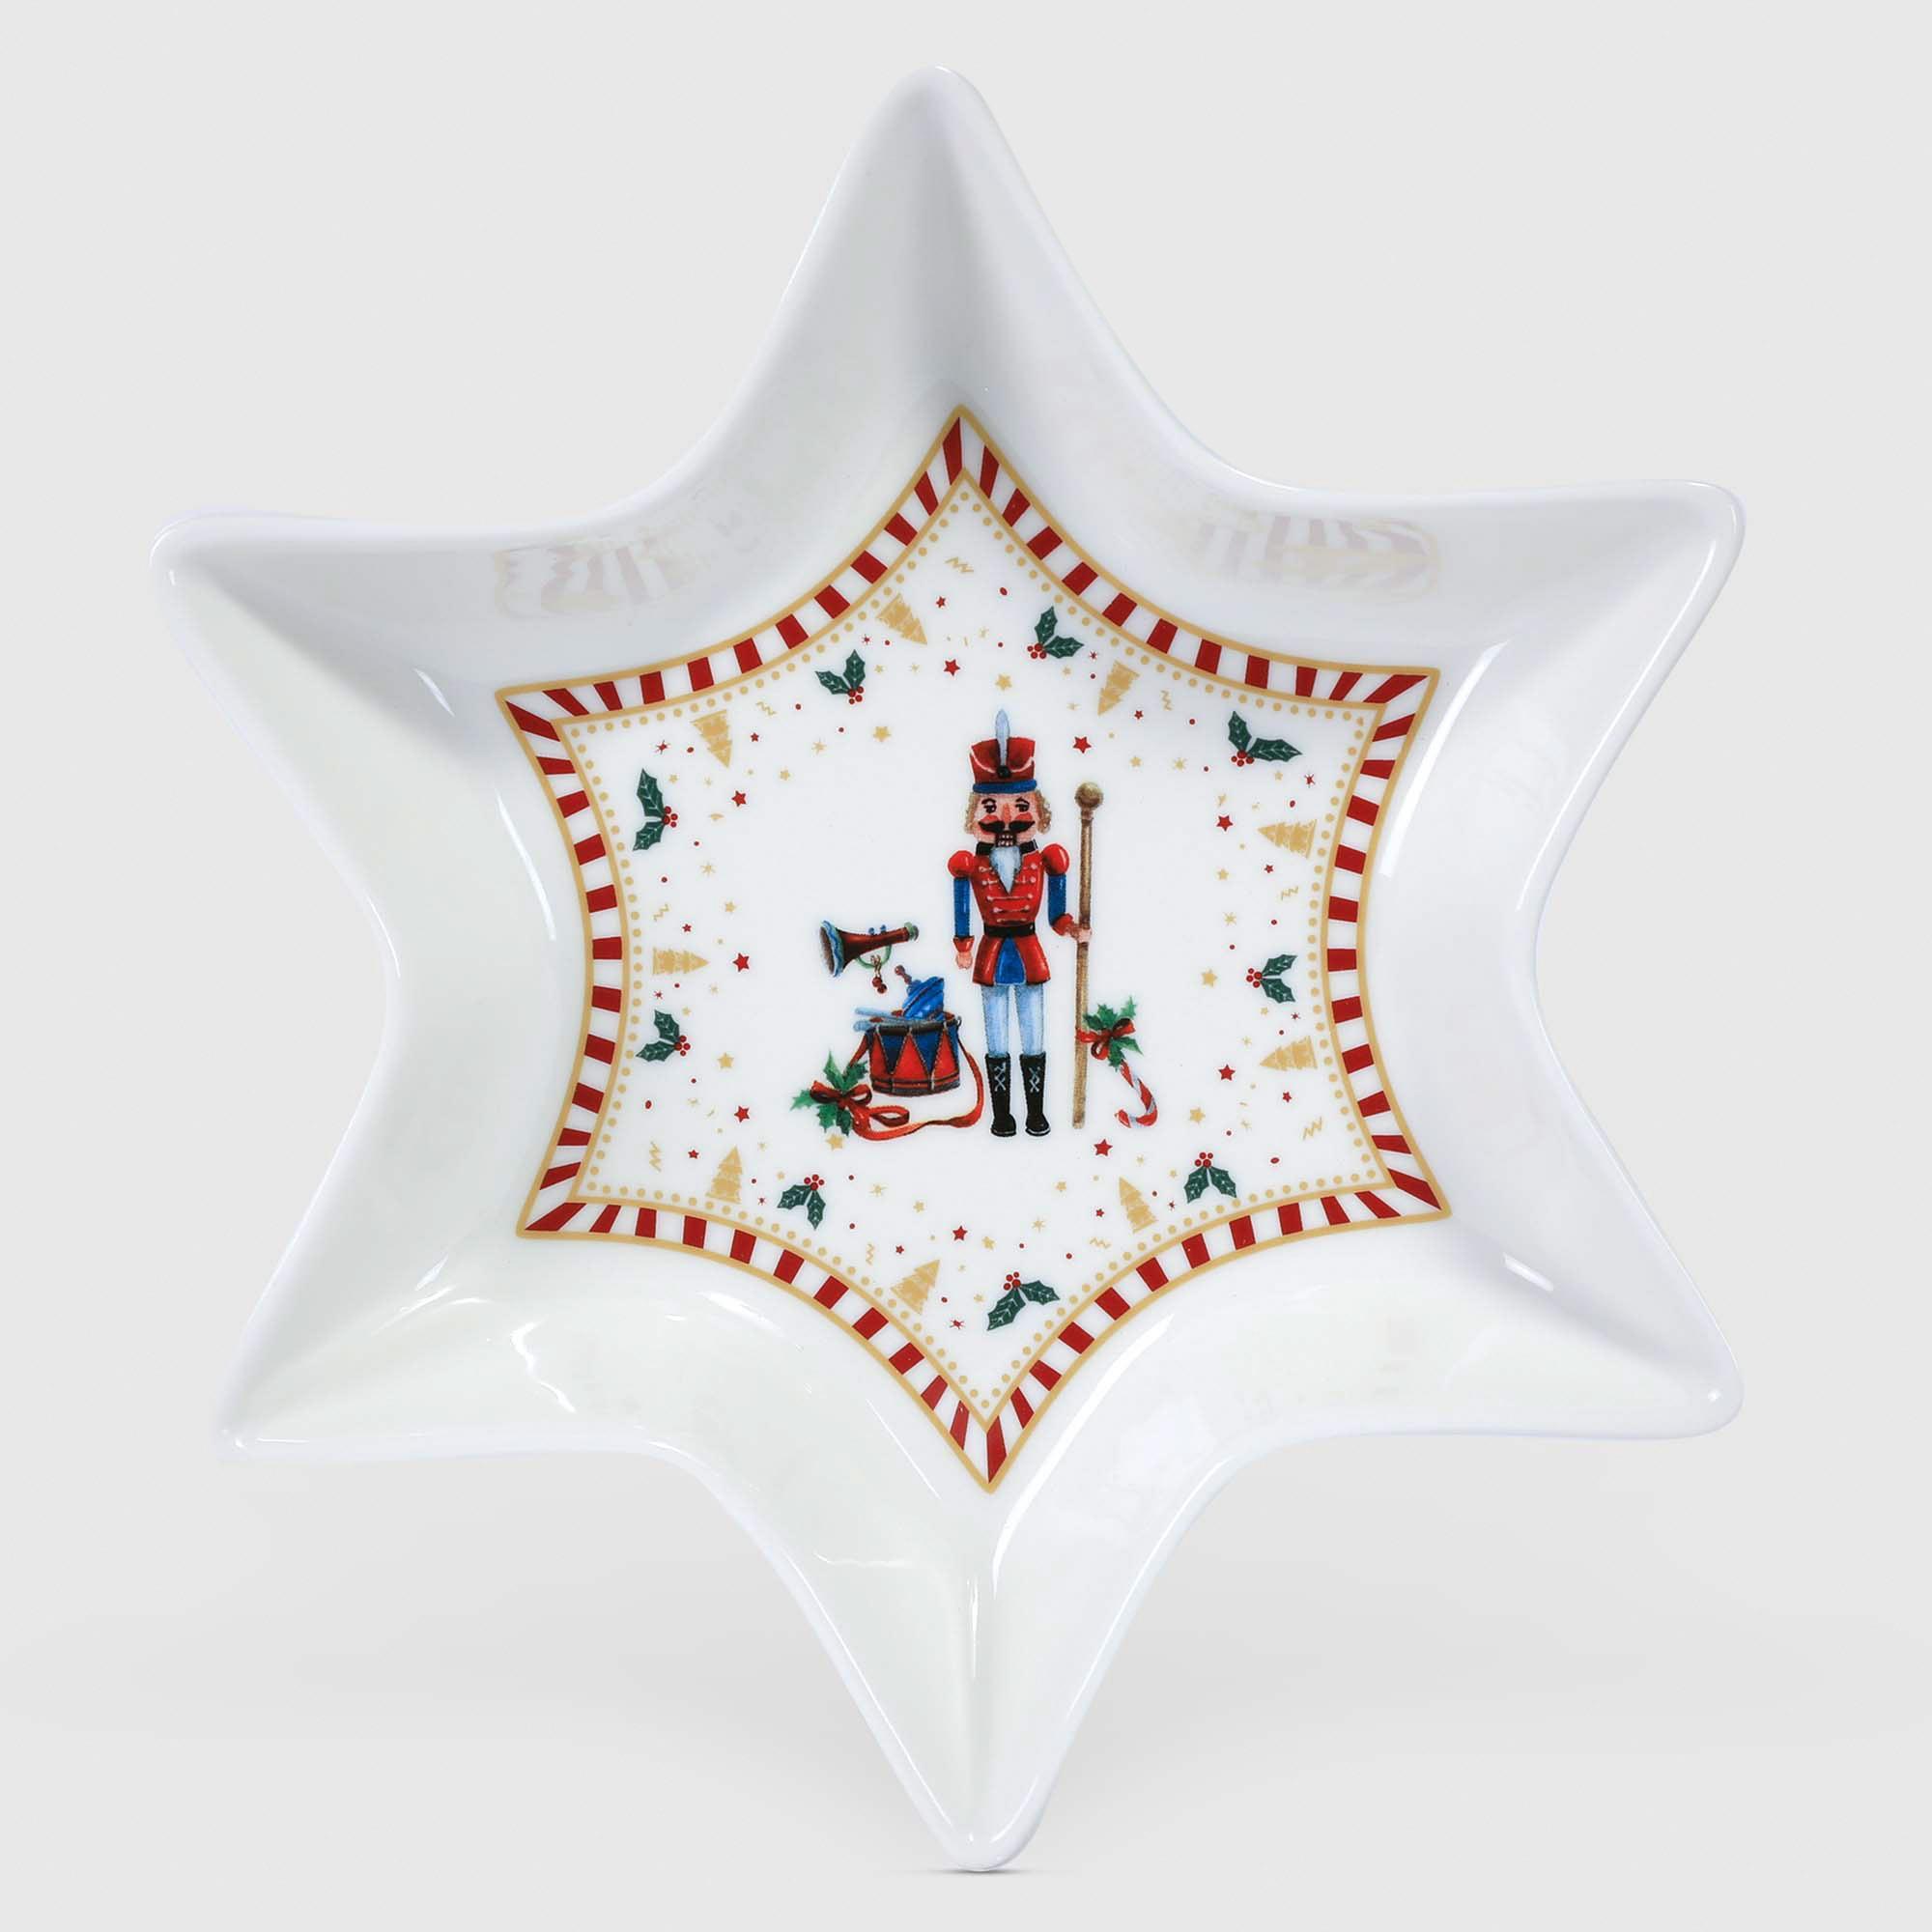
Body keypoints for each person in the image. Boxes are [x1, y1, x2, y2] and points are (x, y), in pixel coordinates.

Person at [948, 712, 1091, 1137]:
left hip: (1029, 954)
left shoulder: (1047, 860)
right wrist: (963, 946)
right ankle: (1001, 1116)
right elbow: (961, 911)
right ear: (974, 815)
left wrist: (1071, 929)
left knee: (1033, 1035)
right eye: (992, 807)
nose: (1006, 817)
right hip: (992, 954)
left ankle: (1036, 1113)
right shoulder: (968, 865)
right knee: (996, 1038)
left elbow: (1056, 915)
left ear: (1039, 813)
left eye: (1020, 806)